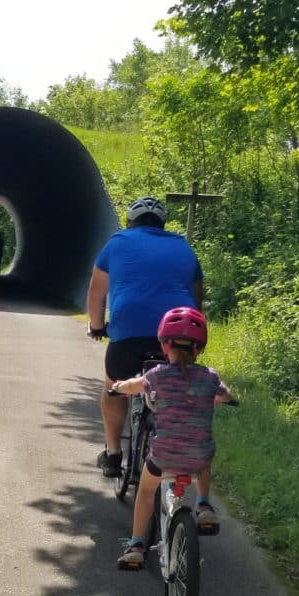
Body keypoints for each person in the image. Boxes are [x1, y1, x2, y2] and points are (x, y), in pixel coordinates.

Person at [87, 196, 204, 477]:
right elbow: (198, 296)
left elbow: (96, 293)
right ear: (162, 224)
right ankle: (176, 450)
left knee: (115, 388)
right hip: (179, 331)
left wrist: (97, 325)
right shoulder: (182, 246)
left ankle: (114, 455)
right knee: (178, 384)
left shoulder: (117, 243)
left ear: (130, 222)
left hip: (129, 331)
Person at [110, 306, 233, 571]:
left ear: (165, 346)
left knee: (144, 493)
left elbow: (134, 386)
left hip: (163, 458)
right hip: (198, 458)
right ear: (198, 349)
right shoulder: (209, 377)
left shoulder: (157, 376)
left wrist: (118, 387)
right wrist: (222, 398)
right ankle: (202, 505)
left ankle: (137, 546)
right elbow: (224, 395)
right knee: (204, 454)